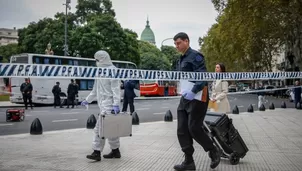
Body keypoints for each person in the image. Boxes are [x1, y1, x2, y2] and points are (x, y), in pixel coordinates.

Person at [173, 32, 221, 171]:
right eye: (175, 44)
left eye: (179, 43)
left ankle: (213, 150)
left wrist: (193, 90)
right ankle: (189, 161)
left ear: (187, 41)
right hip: (185, 97)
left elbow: (202, 76)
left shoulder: (196, 56)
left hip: (199, 95)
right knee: (182, 129)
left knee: (194, 127)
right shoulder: (179, 59)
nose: (177, 46)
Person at [81, 50, 121, 161]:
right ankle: (115, 151)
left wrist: (116, 104)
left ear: (102, 59)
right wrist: (87, 100)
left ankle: (96, 152)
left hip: (109, 104)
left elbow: (116, 89)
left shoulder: (113, 70)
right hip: (103, 104)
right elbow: (95, 90)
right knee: (111, 129)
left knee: (100, 129)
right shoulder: (99, 71)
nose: (96, 62)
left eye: (97, 59)